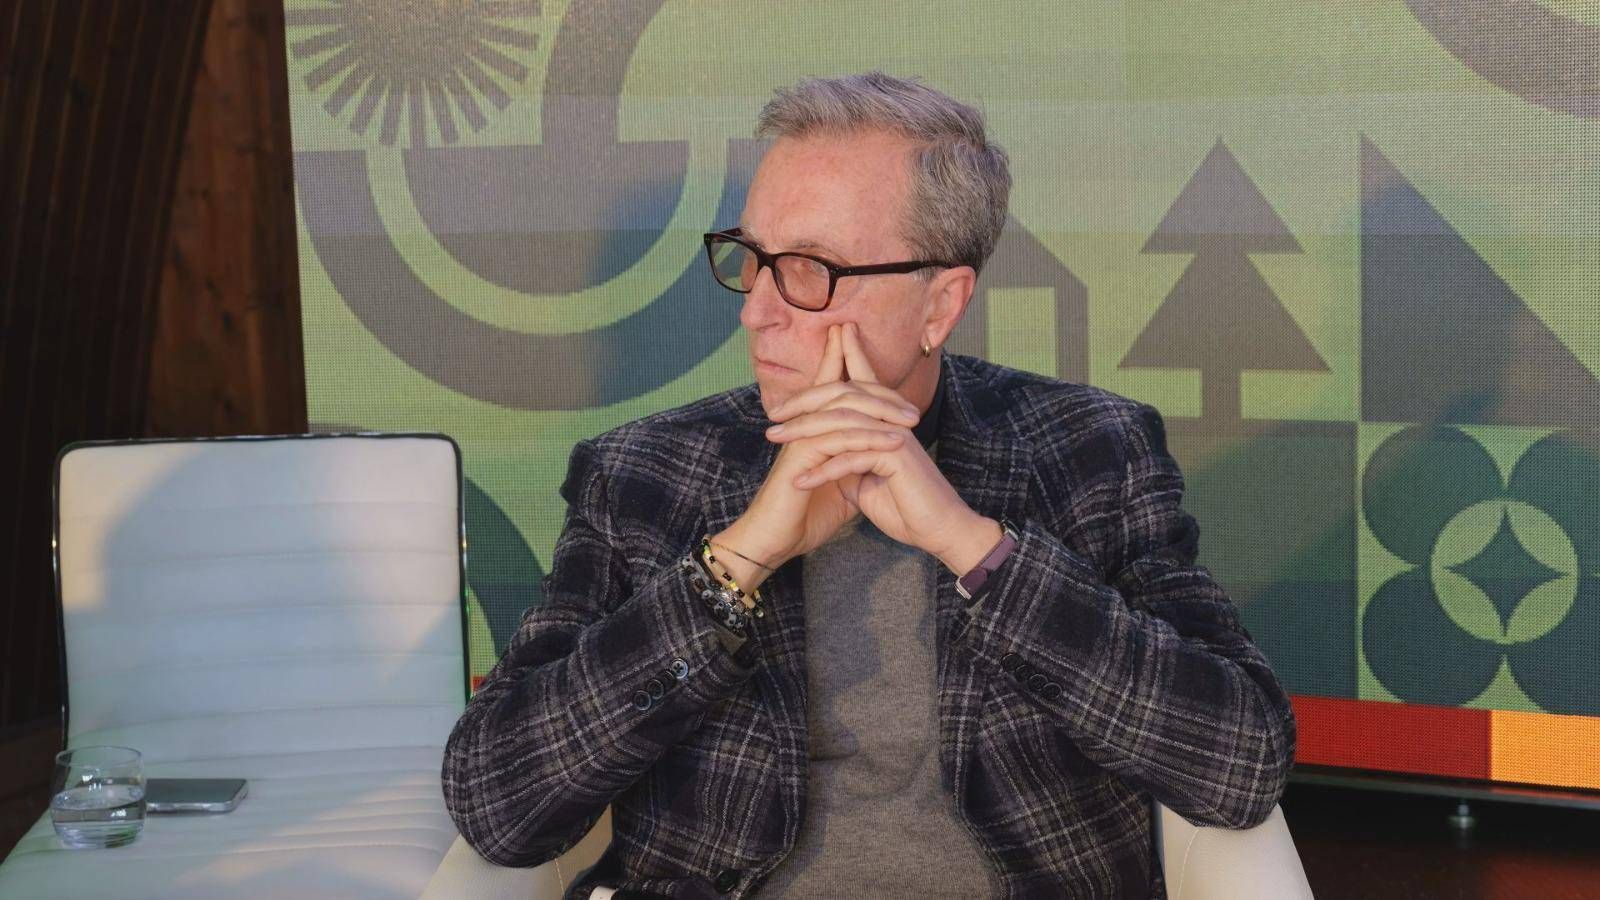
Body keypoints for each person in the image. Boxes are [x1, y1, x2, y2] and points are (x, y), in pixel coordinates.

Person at [442, 72, 1296, 900]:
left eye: (810, 268)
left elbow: (1241, 765)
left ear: (940, 305)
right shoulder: (642, 474)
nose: (756, 311)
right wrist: (735, 564)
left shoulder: (1092, 451)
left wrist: (974, 548)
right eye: (752, 258)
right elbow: (495, 805)